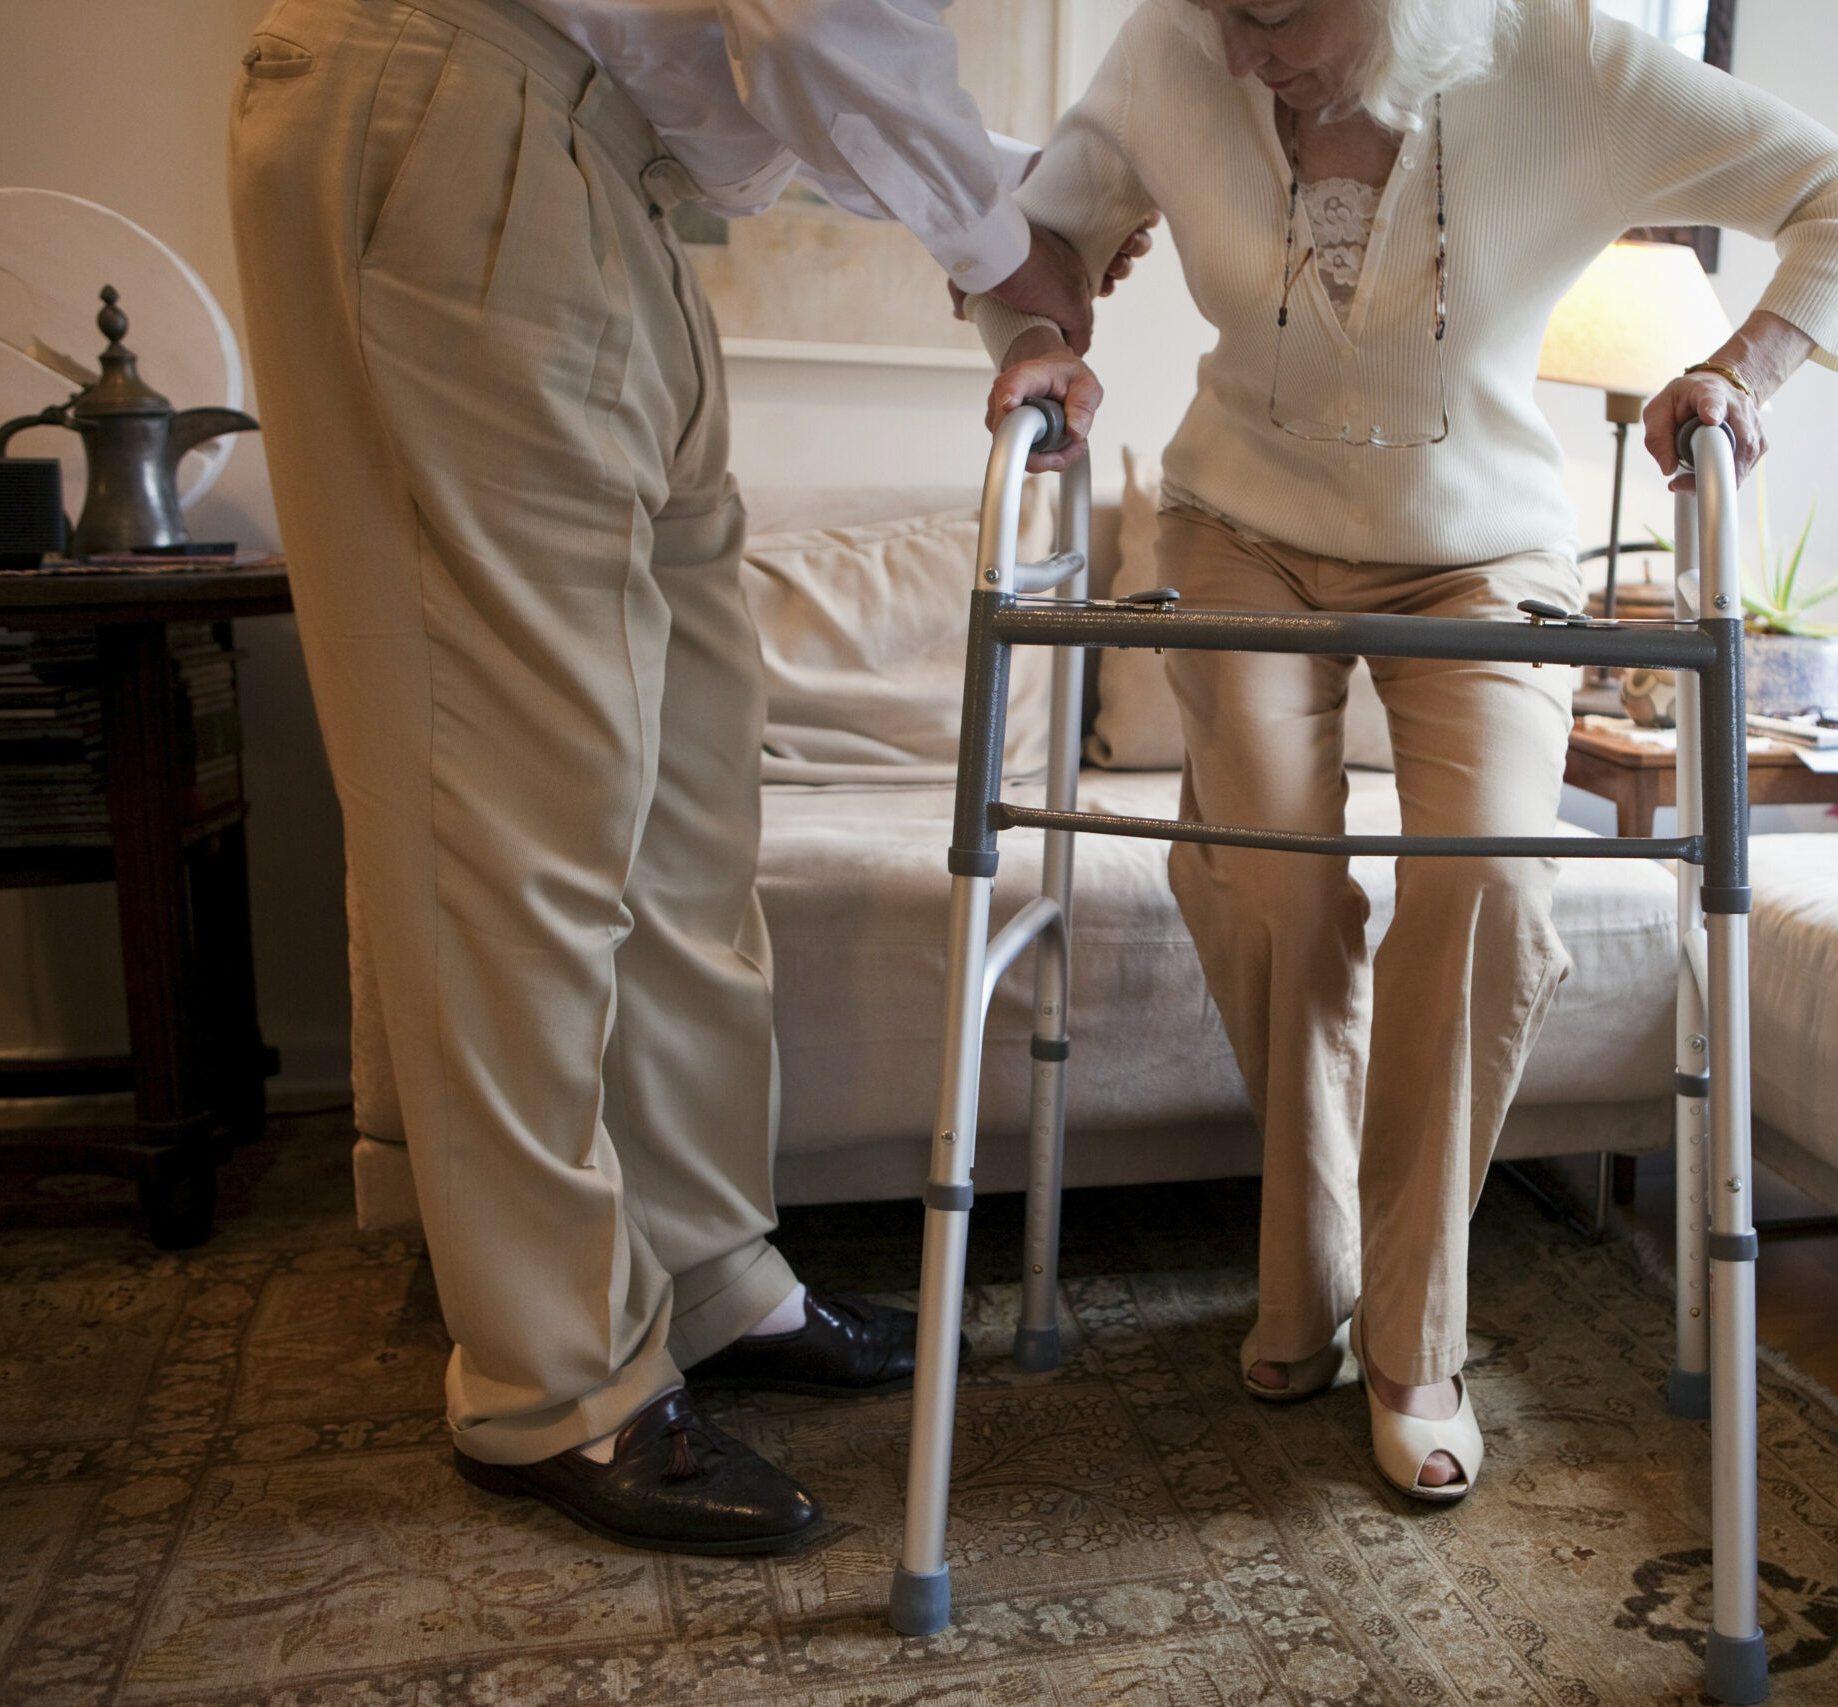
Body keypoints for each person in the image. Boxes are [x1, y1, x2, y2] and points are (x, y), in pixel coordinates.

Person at [226, 0, 1143, 1557]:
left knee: (690, 794)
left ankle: (712, 1275)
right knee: (515, 808)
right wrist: (1008, 255)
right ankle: (553, 1375)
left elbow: (764, 49)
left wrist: (1021, 216)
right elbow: (808, 22)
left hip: (605, 172)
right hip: (467, 104)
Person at [969, 0, 1838, 1500]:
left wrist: (1744, 369)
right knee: (1275, 883)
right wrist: (1034, 335)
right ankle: (1310, 1280)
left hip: (1481, 557)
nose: (1241, 49)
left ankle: (1414, 1339)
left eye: (1278, 16)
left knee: (1485, 885)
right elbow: (1047, 235)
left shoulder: (1565, 60)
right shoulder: (1174, 46)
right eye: (1221, 9)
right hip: (1239, 532)